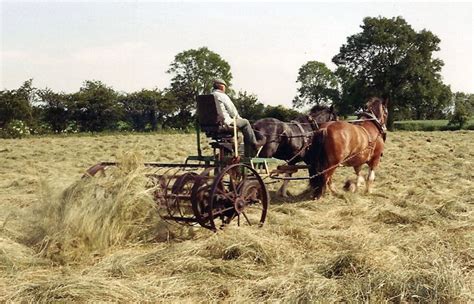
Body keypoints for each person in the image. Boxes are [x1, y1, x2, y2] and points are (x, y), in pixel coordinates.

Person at [211, 78, 258, 157]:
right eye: (225, 86)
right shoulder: (222, 95)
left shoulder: (209, 96)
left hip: (210, 126)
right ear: (222, 87)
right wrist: (239, 119)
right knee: (246, 122)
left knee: (238, 134)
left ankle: (233, 144)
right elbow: (233, 111)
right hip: (225, 123)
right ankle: (253, 145)